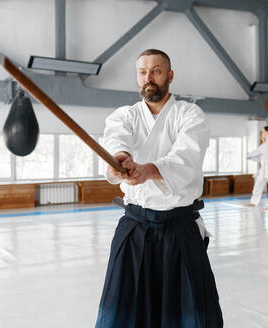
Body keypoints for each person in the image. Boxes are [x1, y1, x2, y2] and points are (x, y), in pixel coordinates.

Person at [95, 49, 223, 328]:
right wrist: (119, 160)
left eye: (156, 71)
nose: (148, 78)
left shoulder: (190, 114)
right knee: (123, 313)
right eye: (142, 72)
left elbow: (186, 158)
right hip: (135, 227)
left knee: (192, 313)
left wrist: (147, 170)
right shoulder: (125, 115)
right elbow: (117, 139)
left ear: (170, 75)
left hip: (180, 226)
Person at [247, 131, 267, 207]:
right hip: (264, 169)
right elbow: (260, 158)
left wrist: (249, 155)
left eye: (262, 136)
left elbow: (257, 152)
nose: (261, 138)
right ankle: (254, 202)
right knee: (258, 185)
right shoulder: (264, 146)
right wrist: (251, 157)